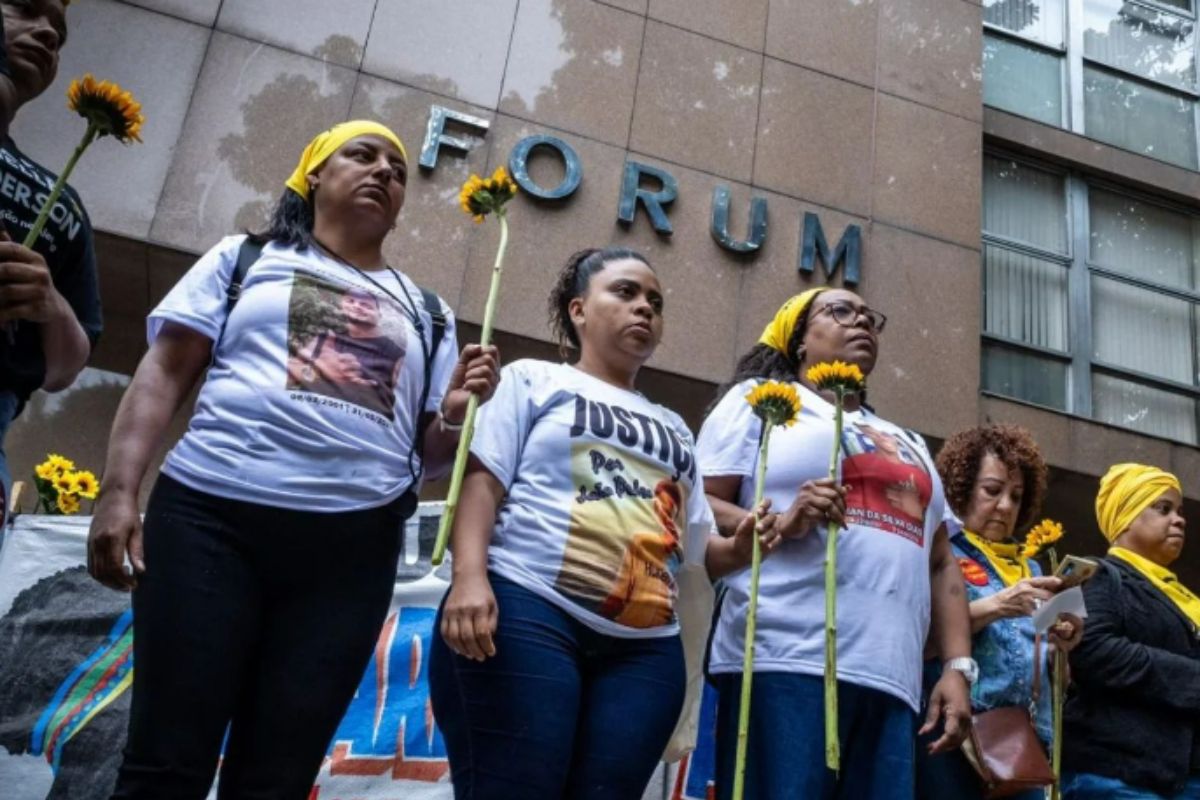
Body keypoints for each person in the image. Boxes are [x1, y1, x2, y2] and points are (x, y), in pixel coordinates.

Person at [86, 120, 500, 799]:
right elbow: (162, 376)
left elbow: (428, 460)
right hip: (210, 526)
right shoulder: (243, 258)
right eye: (362, 156)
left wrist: (455, 412)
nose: (384, 173)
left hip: (349, 555)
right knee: (165, 762)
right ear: (313, 175)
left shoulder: (428, 312)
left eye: (397, 169)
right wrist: (119, 492)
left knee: (276, 779)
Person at [428, 247, 735, 799]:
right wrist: (468, 577)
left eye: (655, 302)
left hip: (647, 651)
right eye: (625, 292)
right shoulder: (532, 380)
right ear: (578, 310)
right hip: (528, 611)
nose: (644, 308)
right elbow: (482, 482)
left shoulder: (677, 428)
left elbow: (699, 552)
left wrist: (763, 540)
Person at [695, 287, 974, 800]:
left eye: (870, 316)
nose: (861, 322)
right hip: (784, 658)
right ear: (799, 340)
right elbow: (700, 509)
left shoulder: (907, 439)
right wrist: (785, 520)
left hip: (892, 677)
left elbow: (939, 562)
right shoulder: (759, 401)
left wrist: (957, 669)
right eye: (841, 312)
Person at [915, 424, 1084, 799]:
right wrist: (998, 606)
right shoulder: (942, 552)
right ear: (959, 488)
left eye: (1017, 496)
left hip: (1023, 743)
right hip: (954, 731)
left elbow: (1055, 675)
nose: (1006, 505)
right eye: (992, 490)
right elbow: (921, 638)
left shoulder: (1034, 570)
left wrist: (1062, 644)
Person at [0, 0, 99, 525]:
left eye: (58, 32)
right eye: (23, 8)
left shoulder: (60, 206)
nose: (46, 34)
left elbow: (67, 368)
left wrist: (46, 302)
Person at [1062, 463, 1198, 799]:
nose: (1179, 520)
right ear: (1125, 517)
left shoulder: (1186, 599)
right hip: (1118, 776)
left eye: (1179, 511)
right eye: (1162, 509)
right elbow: (1091, 649)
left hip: (1183, 779)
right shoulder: (1098, 576)